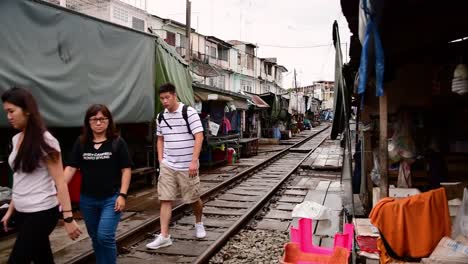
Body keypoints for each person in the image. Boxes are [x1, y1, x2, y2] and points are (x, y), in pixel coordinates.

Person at [1, 87, 82, 263]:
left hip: (42, 212)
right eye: (6, 112)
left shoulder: (46, 141)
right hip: (22, 211)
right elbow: (20, 180)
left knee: (17, 260)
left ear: (28, 110)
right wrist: (10, 210)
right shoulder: (16, 140)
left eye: (11, 111)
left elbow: (60, 182)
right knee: (42, 259)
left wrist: (68, 218)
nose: (8, 116)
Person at [63, 104, 132, 264]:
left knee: (105, 236)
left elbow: (126, 170)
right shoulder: (81, 143)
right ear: (88, 122)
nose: (98, 123)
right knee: (95, 239)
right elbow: (71, 168)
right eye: (94, 119)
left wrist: (122, 195)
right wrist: (56, 189)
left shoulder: (117, 142)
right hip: (88, 200)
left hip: (111, 198)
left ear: (109, 121)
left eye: (102, 119)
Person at [146, 83, 205, 250]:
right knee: (165, 198)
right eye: (162, 98)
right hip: (168, 165)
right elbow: (160, 139)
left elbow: (199, 136)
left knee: (193, 198)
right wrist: (161, 160)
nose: (164, 101)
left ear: (174, 95)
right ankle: (164, 236)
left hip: (188, 165)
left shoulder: (189, 112)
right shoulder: (160, 117)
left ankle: (199, 222)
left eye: (167, 98)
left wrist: (194, 161)